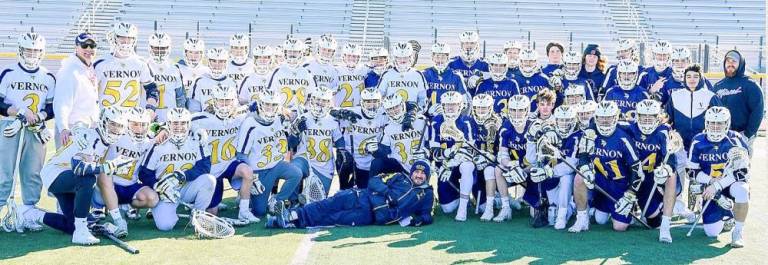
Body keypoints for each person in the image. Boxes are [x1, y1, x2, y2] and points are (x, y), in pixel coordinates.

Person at [26, 107, 130, 245]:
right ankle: (81, 232)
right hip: (57, 173)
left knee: (72, 225)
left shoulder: (103, 141)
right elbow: (80, 168)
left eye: (119, 126)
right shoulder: (91, 137)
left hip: (67, 176)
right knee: (88, 179)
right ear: (103, 121)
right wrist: (107, 167)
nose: (116, 129)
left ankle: (30, 214)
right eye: (112, 123)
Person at [266, 161, 434, 229]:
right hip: (361, 196)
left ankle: (286, 223)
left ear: (427, 176)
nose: (419, 176)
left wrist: (415, 220)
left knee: (334, 218)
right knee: (327, 204)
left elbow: (428, 214)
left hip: (371, 215)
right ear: (411, 173)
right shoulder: (400, 177)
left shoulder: (426, 194)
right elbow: (374, 181)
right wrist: (388, 193)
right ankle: (290, 215)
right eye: (416, 172)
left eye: (422, 174)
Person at [0, 32, 56, 232]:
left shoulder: (48, 77)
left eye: (36, 50)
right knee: (5, 171)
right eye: (29, 50)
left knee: (33, 172)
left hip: (35, 129)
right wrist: (19, 112)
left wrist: (39, 116)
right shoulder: (8, 72)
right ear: (20, 50)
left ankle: (28, 212)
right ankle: (1, 210)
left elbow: (51, 108)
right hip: (10, 126)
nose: (32, 54)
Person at [570, 101, 644, 232]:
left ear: (615, 117)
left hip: (619, 184)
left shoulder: (623, 138)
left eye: (608, 117)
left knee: (619, 227)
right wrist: (585, 168)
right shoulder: (590, 133)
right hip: (600, 180)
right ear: (596, 117)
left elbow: (636, 169)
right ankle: (582, 219)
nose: (604, 121)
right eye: (601, 117)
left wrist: (630, 194)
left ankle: (630, 208)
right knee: (579, 177)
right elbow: (583, 155)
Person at [138, 108, 217, 231]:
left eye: (183, 123)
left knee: (209, 180)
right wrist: (158, 187)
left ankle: (198, 215)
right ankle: (161, 210)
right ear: (168, 124)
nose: (179, 127)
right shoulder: (158, 142)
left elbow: (205, 166)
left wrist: (183, 175)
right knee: (165, 226)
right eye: (175, 123)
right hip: (164, 191)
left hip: (187, 186)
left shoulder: (196, 139)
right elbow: (144, 172)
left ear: (189, 124)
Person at [190, 85, 259, 222]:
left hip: (229, 164)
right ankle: (198, 202)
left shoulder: (240, 115)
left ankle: (244, 211)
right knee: (212, 215)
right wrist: (162, 130)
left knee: (247, 172)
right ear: (213, 101)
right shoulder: (201, 118)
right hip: (210, 170)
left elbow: (261, 106)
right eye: (221, 101)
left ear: (234, 101)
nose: (224, 105)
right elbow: (176, 123)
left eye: (228, 101)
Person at [688, 106, 750, 248]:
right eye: (712, 123)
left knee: (743, 190)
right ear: (706, 123)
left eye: (719, 123)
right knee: (711, 232)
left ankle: (738, 232)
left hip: (730, 184)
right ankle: (726, 212)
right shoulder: (698, 140)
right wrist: (711, 182)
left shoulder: (735, 139)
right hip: (709, 187)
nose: (715, 127)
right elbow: (691, 172)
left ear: (727, 124)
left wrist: (717, 185)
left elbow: (742, 172)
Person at [92, 107, 157, 236]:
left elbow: (165, 130)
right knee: (105, 173)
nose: (139, 128)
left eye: (143, 125)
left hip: (129, 186)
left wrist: (163, 130)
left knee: (152, 198)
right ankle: (118, 219)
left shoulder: (150, 140)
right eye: (135, 124)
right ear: (127, 123)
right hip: (106, 187)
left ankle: (122, 207)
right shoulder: (117, 134)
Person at [236, 90, 301, 216]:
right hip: (259, 171)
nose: (270, 108)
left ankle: (276, 200)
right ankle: (244, 196)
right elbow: (241, 154)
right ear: (260, 104)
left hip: (276, 165)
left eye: (273, 105)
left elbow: (285, 144)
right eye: (267, 104)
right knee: (259, 211)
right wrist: (251, 177)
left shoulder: (277, 119)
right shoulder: (250, 123)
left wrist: (295, 132)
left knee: (296, 173)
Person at [428, 91, 478, 221]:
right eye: (447, 105)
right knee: (447, 208)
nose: (450, 108)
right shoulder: (436, 121)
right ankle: (461, 193)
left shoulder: (467, 121)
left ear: (461, 106)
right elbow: (434, 152)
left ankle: (463, 208)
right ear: (442, 106)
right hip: (443, 167)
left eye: (454, 105)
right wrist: (448, 155)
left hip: (458, 165)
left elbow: (470, 152)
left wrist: (450, 164)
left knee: (467, 166)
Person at [94, 22, 159, 111]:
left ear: (134, 40)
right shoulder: (101, 63)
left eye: (129, 39)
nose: (126, 42)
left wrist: (150, 108)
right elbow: (88, 91)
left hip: (131, 119)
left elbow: (152, 89)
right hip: (107, 118)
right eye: (122, 38)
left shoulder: (140, 63)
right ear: (115, 38)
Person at [54, 32, 100, 147]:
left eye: (92, 46)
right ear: (76, 47)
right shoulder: (70, 71)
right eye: (84, 45)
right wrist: (63, 128)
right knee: (68, 165)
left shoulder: (89, 68)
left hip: (87, 127)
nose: (89, 49)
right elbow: (61, 102)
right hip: (72, 129)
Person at [712, 50, 764, 149]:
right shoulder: (718, 86)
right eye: (728, 61)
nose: (730, 64)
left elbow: (757, 112)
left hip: (742, 135)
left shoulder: (750, 85)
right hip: (721, 135)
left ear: (741, 63)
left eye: (734, 61)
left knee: (741, 164)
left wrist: (748, 134)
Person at [377, 42, 428, 112]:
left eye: (405, 57)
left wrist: (417, 112)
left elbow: (423, 98)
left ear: (410, 57)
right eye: (399, 57)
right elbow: (379, 95)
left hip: (411, 114)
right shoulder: (387, 74)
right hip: (391, 114)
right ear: (395, 58)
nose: (402, 60)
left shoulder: (418, 74)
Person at [422, 42, 469, 118]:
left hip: (450, 118)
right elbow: (419, 100)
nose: (440, 60)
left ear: (448, 58)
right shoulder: (424, 74)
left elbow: (464, 103)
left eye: (443, 57)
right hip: (429, 118)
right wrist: (428, 109)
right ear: (432, 57)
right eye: (437, 56)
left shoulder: (456, 76)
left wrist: (449, 110)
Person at [146, 32, 185, 122]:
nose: (159, 52)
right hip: (147, 118)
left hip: (169, 119)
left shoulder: (175, 68)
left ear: (168, 48)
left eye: (163, 48)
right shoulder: (144, 66)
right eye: (156, 48)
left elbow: (180, 97)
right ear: (150, 48)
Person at [188, 47, 236, 112]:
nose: (217, 65)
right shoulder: (199, 81)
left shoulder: (231, 82)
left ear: (226, 63)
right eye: (214, 61)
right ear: (208, 62)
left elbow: (235, 107)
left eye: (221, 61)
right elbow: (193, 109)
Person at [448, 31, 489, 95]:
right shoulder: (451, 63)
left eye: (472, 43)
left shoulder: (485, 63)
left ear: (477, 45)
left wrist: (481, 75)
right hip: (456, 101)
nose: (469, 46)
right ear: (462, 44)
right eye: (466, 43)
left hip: (479, 102)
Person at [335, 43, 367, 109]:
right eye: (349, 55)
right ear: (343, 56)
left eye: (354, 56)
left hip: (359, 110)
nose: (351, 58)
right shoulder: (336, 70)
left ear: (359, 57)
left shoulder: (364, 69)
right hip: (340, 110)